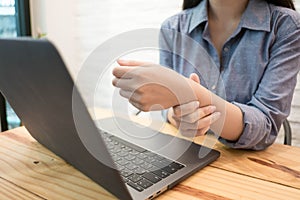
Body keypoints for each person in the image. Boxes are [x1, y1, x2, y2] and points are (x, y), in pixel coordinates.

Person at [112, 0, 300, 150]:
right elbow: (167, 105)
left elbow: (266, 125)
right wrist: (174, 115)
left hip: (243, 168)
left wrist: (190, 93)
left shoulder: (286, 25)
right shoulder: (173, 27)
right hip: (186, 153)